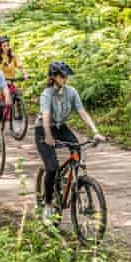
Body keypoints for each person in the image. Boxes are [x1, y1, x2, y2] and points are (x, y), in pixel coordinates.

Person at [35, 61, 106, 220]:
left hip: (60, 127)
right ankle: (47, 204)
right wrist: (47, 135)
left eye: (66, 76)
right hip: (43, 129)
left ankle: (65, 177)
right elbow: (45, 116)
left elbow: (82, 112)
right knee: (52, 168)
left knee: (77, 150)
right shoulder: (47, 94)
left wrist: (95, 132)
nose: (65, 79)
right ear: (53, 77)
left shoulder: (71, 92)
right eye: (61, 76)